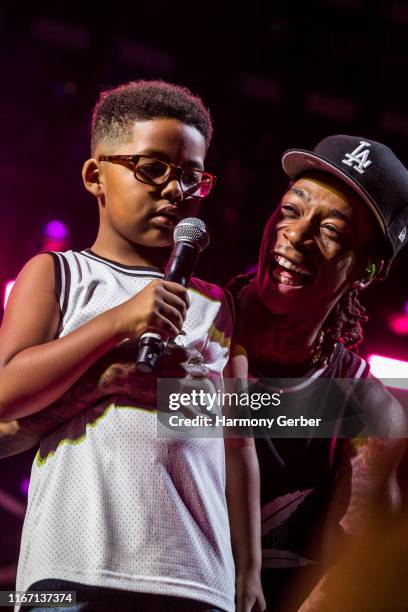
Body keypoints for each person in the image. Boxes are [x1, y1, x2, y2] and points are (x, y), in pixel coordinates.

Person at [0, 80, 265, 612]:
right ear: (96, 175)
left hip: (195, 574)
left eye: (191, 177)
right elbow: (5, 395)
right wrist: (119, 322)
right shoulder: (59, 275)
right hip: (73, 562)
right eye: (153, 168)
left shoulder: (218, 306)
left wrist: (249, 568)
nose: (175, 190)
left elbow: (240, 444)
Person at [227, 135, 408, 611]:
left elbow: (347, 578)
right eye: (291, 210)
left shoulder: (366, 412)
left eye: (331, 230)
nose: (296, 235)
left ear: (368, 270)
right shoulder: (189, 330)